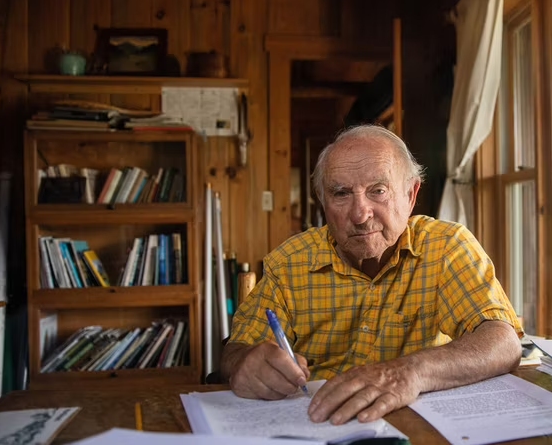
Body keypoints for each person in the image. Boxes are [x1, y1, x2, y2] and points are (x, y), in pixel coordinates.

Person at [221, 124, 523, 426]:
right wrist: (244, 363)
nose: (360, 214)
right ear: (323, 203)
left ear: (410, 195)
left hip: (416, 426)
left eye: (378, 191)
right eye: (341, 194)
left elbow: (503, 343)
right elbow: (236, 351)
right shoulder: (289, 263)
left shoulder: (446, 247)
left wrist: (408, 372)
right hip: (314, 424)